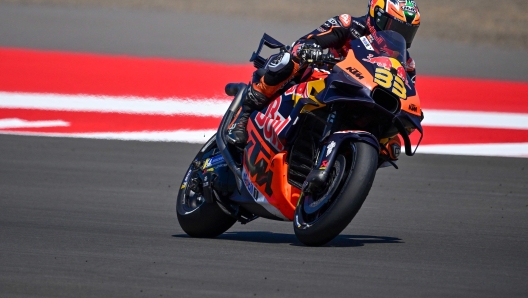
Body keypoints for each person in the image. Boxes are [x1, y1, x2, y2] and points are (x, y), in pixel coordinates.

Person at [227, 0, 421, 160]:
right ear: (376, 16)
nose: (400, 36)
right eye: (395, 27)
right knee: (292, 56)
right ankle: (243, 117)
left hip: (364, 97)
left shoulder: (407, 63)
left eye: (407, 32)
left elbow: (404, 95)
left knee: (392, 146)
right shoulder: (349, 25)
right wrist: (311, 49)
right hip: (326, 78)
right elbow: (308, 41)